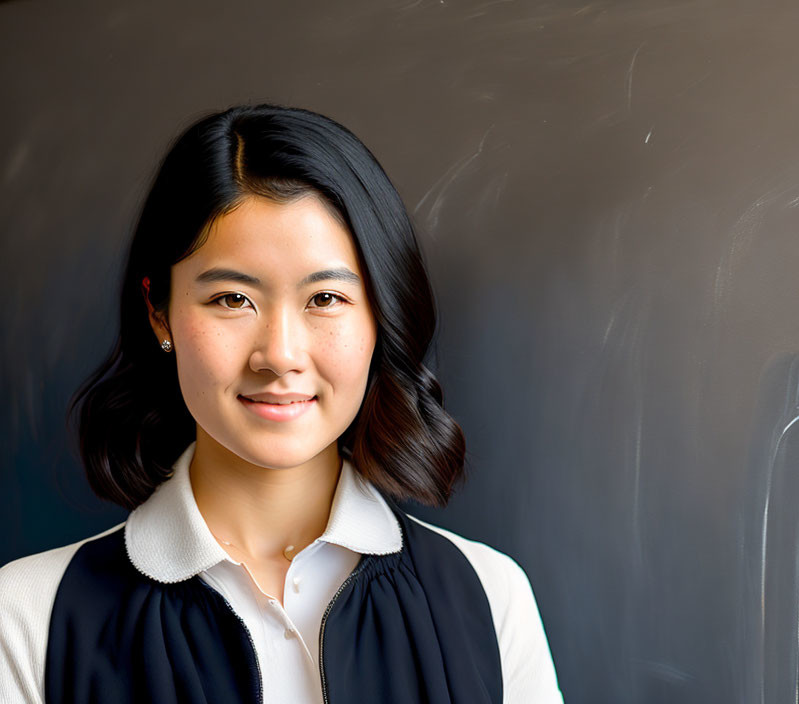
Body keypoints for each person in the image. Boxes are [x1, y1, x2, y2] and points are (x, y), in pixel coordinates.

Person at [0, 104, 563, 703]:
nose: (280, 355)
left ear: (381, 315)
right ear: (157, 310)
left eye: (324, 297)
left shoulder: (488, 596)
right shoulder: (30, 615)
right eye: (232, 300)